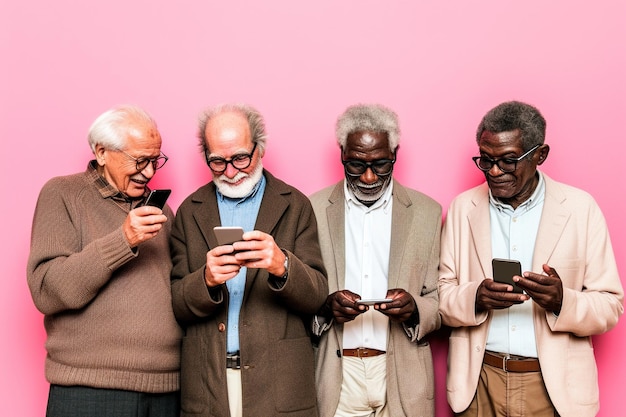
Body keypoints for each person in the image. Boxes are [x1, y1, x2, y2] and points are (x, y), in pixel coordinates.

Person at [438, 100, 624, 417]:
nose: (494, 171)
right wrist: (475, 297)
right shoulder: (461, 208)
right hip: (479, 385)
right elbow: (439, 295)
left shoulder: (581, 209)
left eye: (508, 161)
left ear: (540, 155)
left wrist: (562, 301)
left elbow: (610, 306)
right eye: (486, 160)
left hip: (554, 390)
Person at [170, 103, 328, 417]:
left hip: (279, 382)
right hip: (209, 383)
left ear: (261, 148)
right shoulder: (189, 211)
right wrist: (206, 281)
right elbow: (177, 304)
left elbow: (318, 297)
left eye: (240, 157)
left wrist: (283, 266)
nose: (230, 171)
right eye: (217, 161)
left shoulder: (296, 205)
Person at [27, 105, 182, 417]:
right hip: (92, 388)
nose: (150, 172)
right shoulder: (63, 194)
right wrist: (123, 240)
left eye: (155, 160)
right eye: (139, 161)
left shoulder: (161, 212)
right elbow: (47, 289)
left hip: (167, 389)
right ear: (101, 152)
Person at [310, 104, 442, 417]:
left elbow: (440, 298)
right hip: (337, 375)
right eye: (356, 164)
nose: (369, 176)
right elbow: (298, 295)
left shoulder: (428, 212)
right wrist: (325, 308)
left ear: (395, 154)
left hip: (402, 374)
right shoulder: (311, 209)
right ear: (342, 154)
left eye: (381, 164)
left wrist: (415, 310)